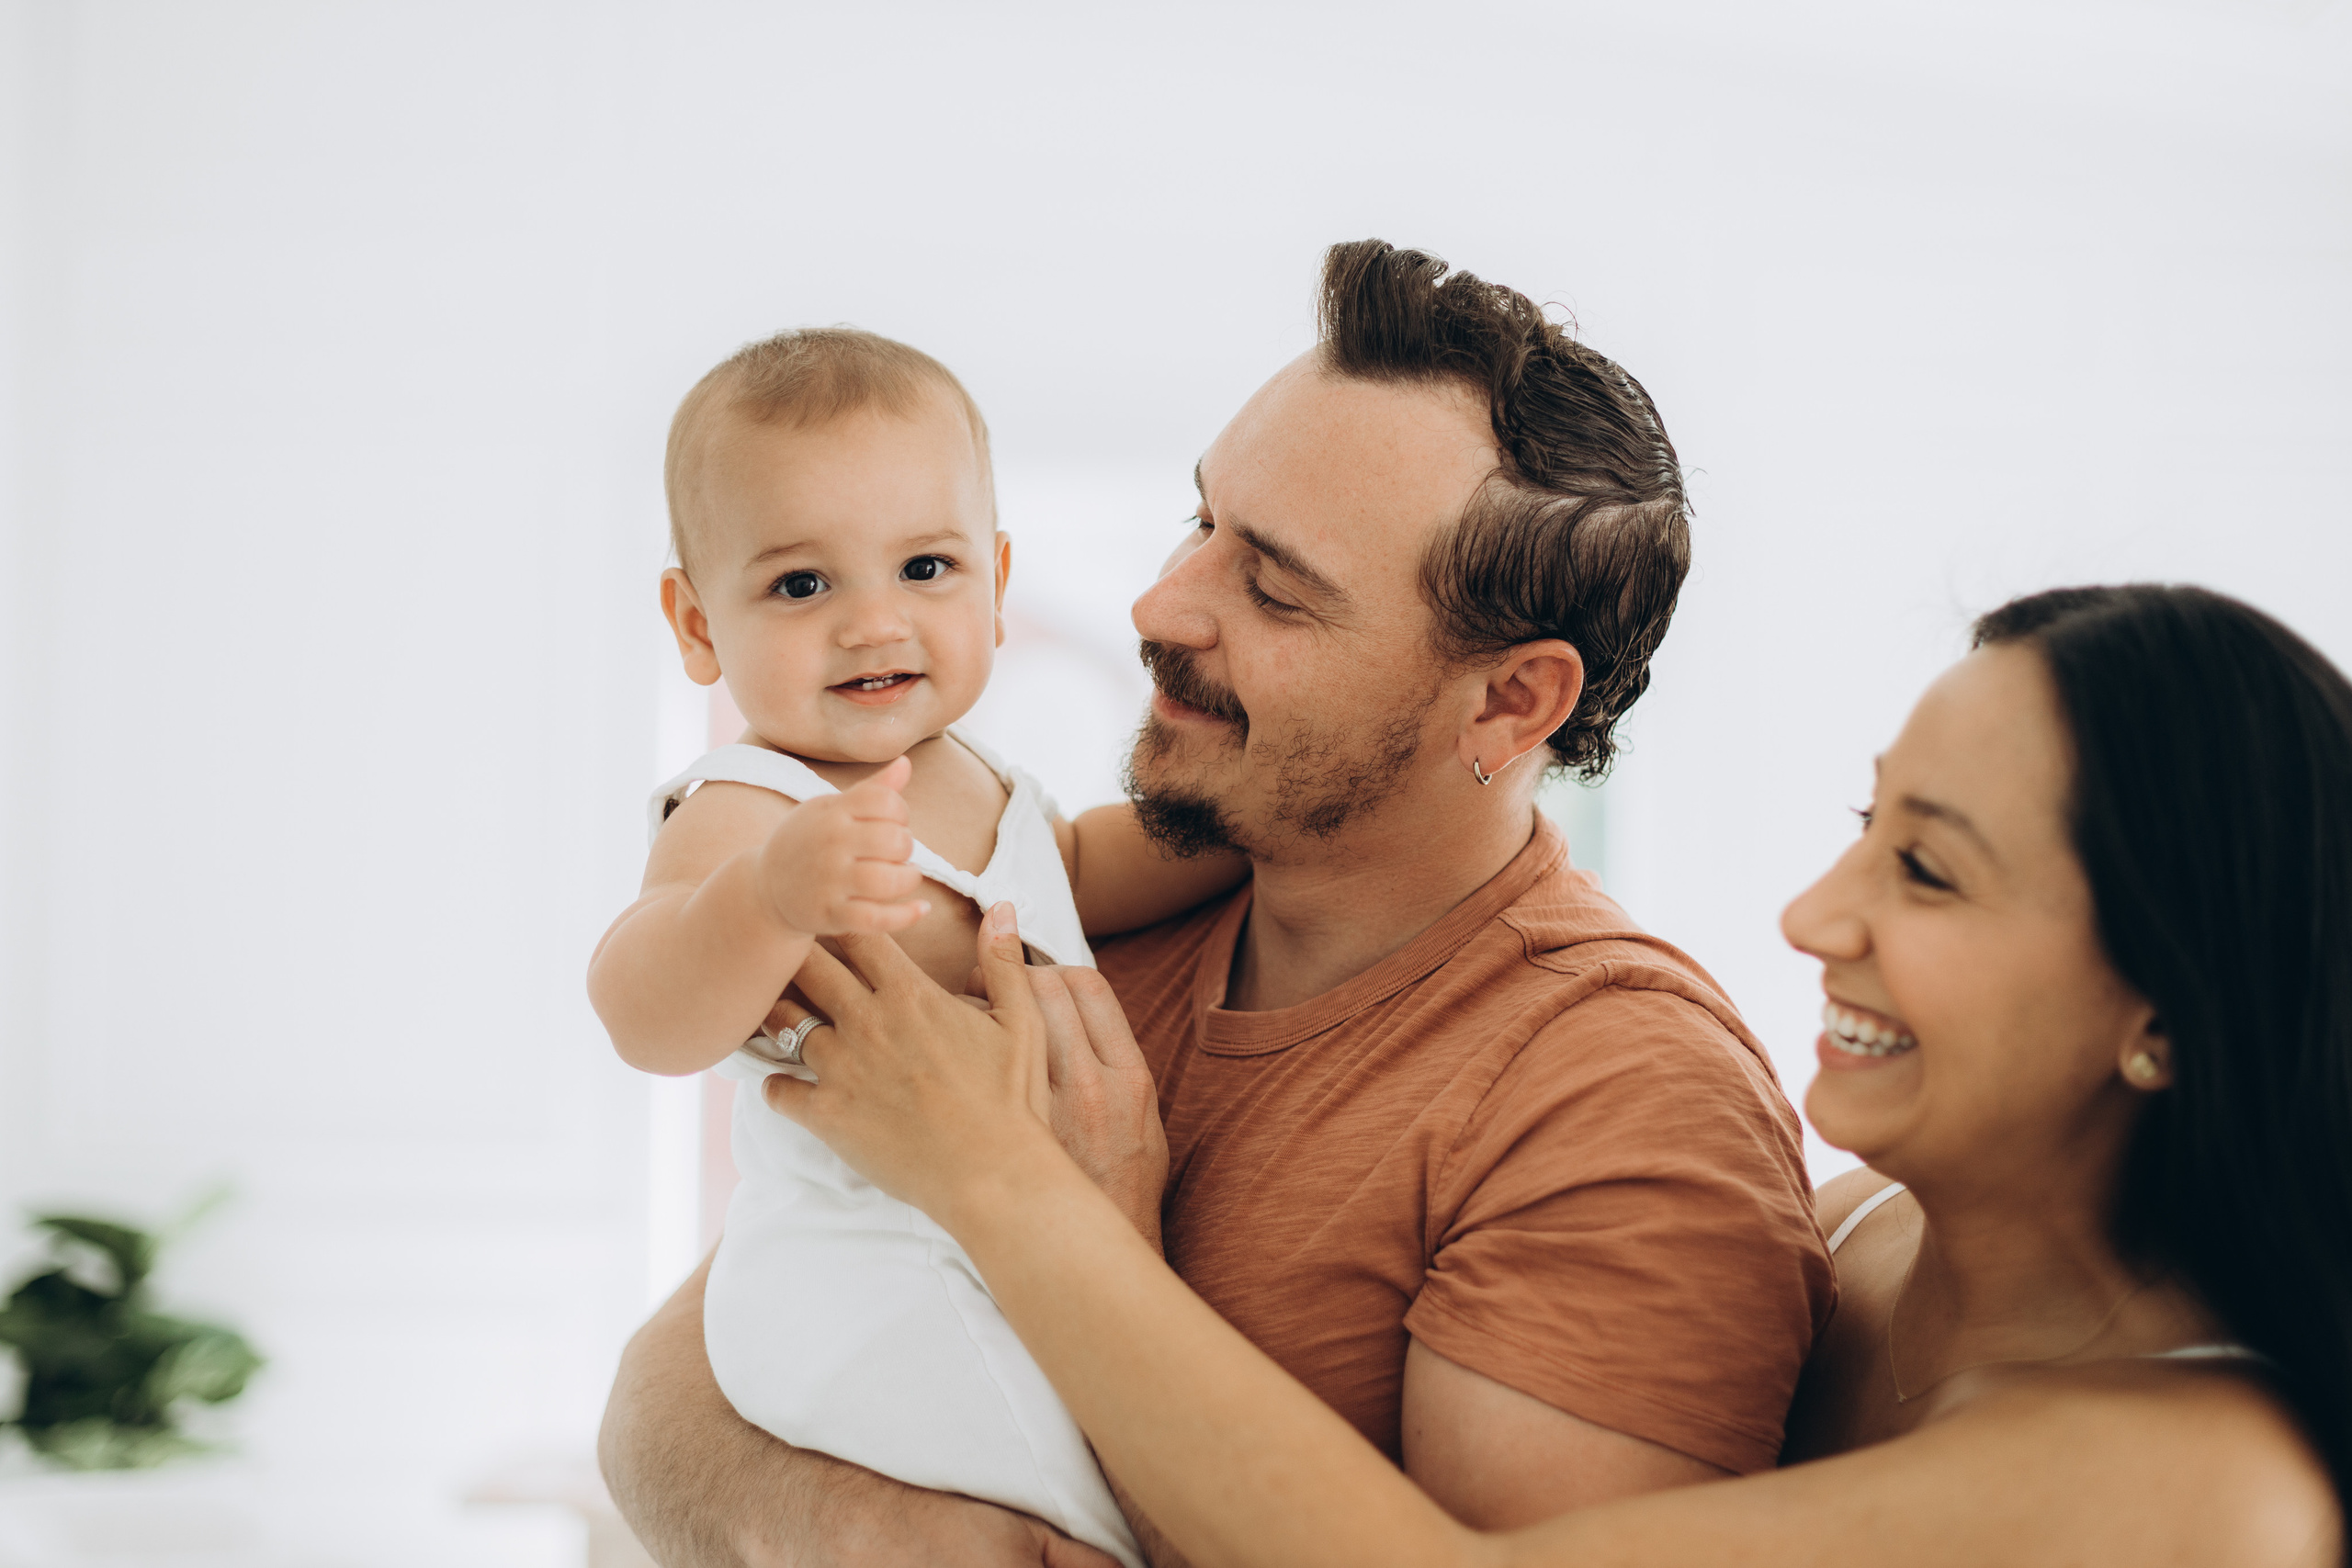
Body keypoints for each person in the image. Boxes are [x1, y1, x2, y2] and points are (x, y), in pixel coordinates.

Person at [597, 242, 1834, 1566]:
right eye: (1203, 524)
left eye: (1275, 587)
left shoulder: (1619, 1100)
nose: (1157, 604)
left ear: (1510, 700)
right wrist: (868, 1530)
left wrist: (1040, 1208)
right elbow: (672, 1385)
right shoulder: (1087, 919)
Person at [775, 583, 2349, 1568]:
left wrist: (1023, 1198)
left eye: (1928, 871)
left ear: (2166, 1016)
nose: (1814, 917)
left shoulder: (2203, 1490)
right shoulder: (1858, 1233)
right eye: (1865, 826)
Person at [587, 327, 1248, 1568]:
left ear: (996, 584)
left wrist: (1257, 831)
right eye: (801, 586)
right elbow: (638, 1011)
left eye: (926, 567)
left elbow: (1081, 868)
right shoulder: (749, 805)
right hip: (865, 1280)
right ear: (696, 622)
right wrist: (765, 900)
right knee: (1057, 1517)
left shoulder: (982, 777)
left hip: (1001, 1254)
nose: (873, 622)